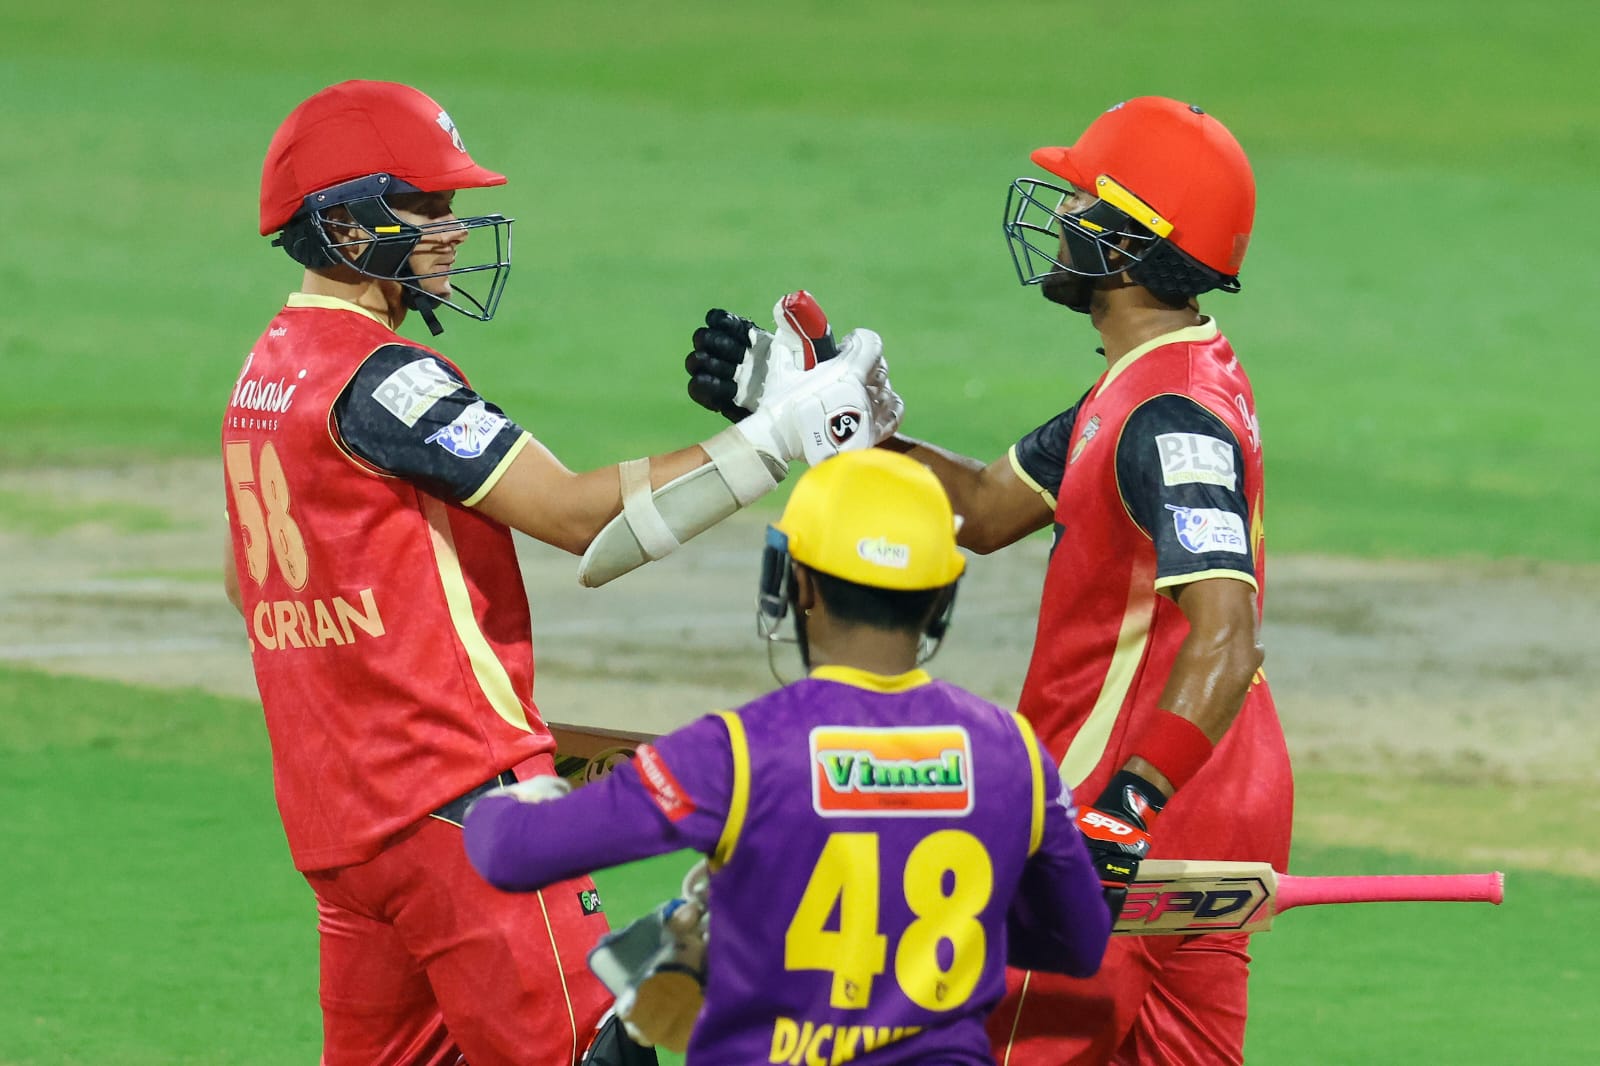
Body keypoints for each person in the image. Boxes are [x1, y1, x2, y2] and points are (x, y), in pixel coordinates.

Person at [221, 79, 901, 1066]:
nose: (453, 229)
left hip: (342, 827)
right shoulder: (384, 377)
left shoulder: (265, 374)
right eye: (426, 206)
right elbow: (581, 521)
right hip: (460, 809)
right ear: (347, 222)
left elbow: (250, 586)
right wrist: (776, 436)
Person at [685, 96, 1289, 1065]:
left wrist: (1123, 809)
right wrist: (812, 412)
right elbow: (979, 509)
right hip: (1214, 808)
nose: (1059, 217)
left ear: (1131, 244)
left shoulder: (1168, 416)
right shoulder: (1155, 383)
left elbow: (1227, 634)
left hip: (1116, 807)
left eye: (1080, 202)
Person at [462, 448, 1113, 1065]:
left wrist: (521, 798)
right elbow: (1079, 941)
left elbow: (512, 852)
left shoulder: (739, 752)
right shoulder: (1014, 754)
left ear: (795, 581)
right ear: (942, 597)